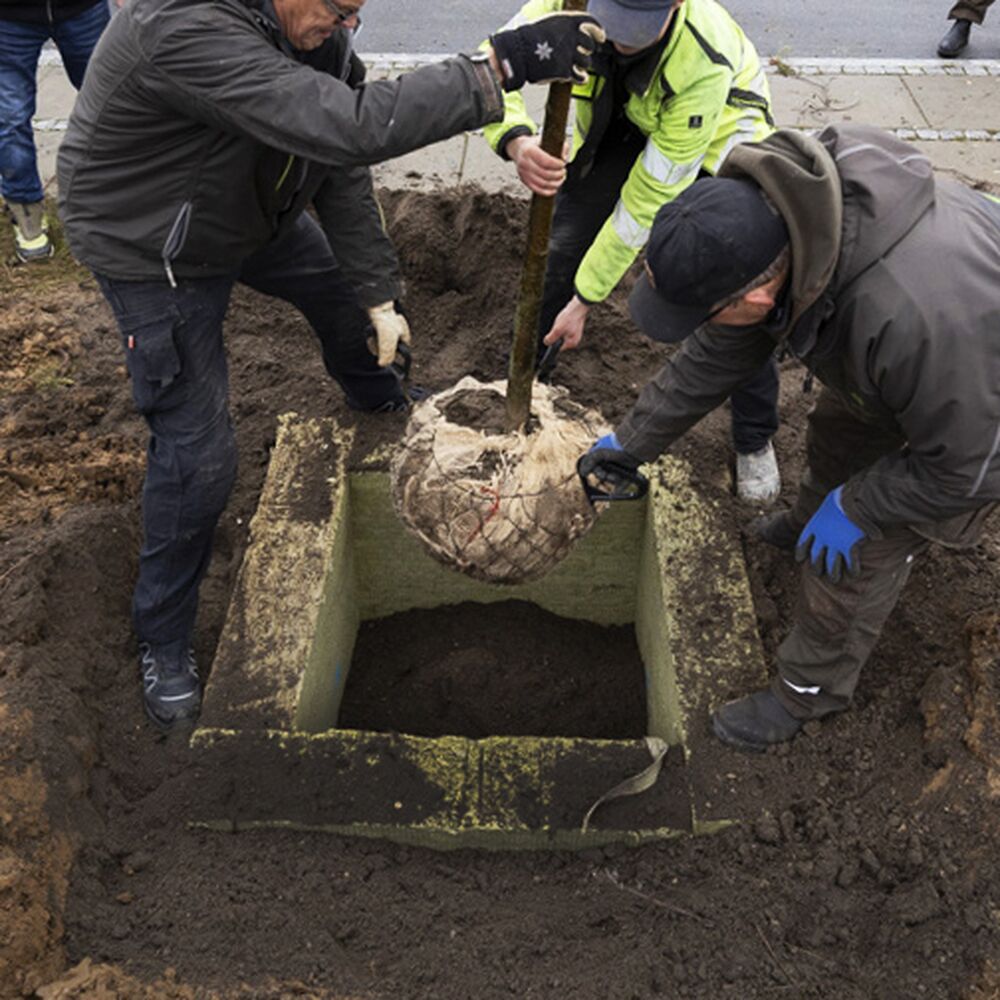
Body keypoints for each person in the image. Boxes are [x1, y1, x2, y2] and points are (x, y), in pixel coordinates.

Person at [56, 0, 602, 732]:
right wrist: (499, 68)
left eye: (357, 13)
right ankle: (162, 638)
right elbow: (344, 124)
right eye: (337, 9)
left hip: (250, 211)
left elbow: (338, 160)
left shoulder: (310, 30)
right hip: (157, 244)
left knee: (353, 311)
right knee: (199, 455)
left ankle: (381, 401)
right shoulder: (182, 25)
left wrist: (377, 293)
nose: (346, 27)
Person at [579, 122, 1000, 751]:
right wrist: (629, 443)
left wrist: (860, 506)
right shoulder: (781, 223)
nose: (701, 325)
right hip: (926, 371)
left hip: (980, 415)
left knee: (860, 548)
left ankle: (808, 693)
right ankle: (810, 521)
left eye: (706, 309)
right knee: (838, 429)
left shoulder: (913, 319)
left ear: (757, 295)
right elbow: (717, 353)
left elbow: (971, 467)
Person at [484, 0, 782, 503]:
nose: (621, 40)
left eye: (637, 30)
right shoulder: (567, 5)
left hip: (719, 146)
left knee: (735, 291)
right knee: (564, 245)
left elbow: (644, 203)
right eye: (612, 24)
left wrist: (588, 298)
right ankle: (530, 381)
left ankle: (754, 438)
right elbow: (492, 65)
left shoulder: (702, 60)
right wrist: (516, 141)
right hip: (627, 116)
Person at [0, 0, 110, 261]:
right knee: (10, 119)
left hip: (83, 9)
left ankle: (118, 201)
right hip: (8, 18)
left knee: (112, 106)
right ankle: (28, 215)